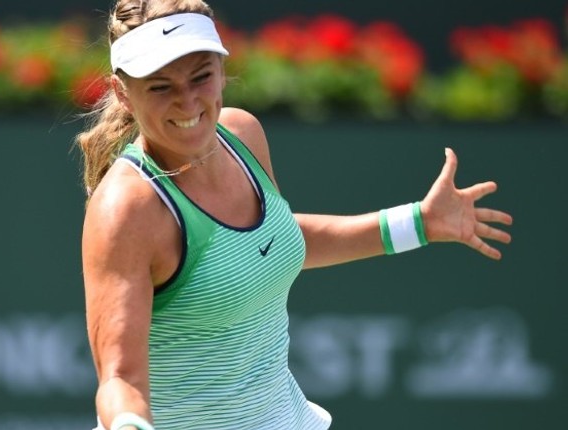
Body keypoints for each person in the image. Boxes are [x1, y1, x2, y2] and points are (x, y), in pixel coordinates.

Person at [76, 1, 513, 429]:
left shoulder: (242, 133)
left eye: (201, 76)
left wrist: (417, 223)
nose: (187, 101)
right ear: (123, 94)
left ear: (222, 72)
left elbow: (266, 246)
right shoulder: (127, 209)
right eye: (160, 86)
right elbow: (119, 379)